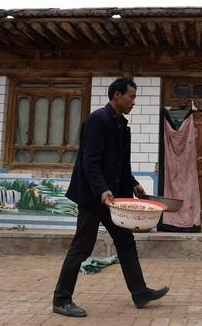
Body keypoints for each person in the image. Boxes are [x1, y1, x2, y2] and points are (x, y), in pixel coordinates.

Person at [52, 77, 169, 317]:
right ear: (117, 95)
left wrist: (134, 184)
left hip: (113, 198)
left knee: (125, 243)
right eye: (131, 96)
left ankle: (140, 293)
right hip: (93, 196)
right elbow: (90, 162)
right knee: (82, 246)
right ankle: (61, 300)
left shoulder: (121, 125)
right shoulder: (97, 120)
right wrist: (102, 189)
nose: (133, 102)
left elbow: (120, 164)